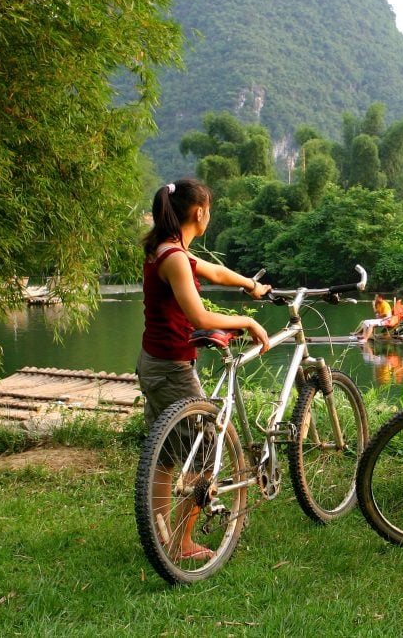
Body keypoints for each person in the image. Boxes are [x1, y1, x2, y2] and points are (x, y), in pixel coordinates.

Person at [137, 178, 271, 562]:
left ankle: (162, 533)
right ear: (200, 212)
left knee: (165, 453)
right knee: (208, 452)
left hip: (156, 362)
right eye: (209, 209)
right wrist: (245, 320)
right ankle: (180, 544)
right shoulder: (175, 258)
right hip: (171, 367)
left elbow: (215, 272)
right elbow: (197, 314)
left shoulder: (168, 249)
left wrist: (251, 285)